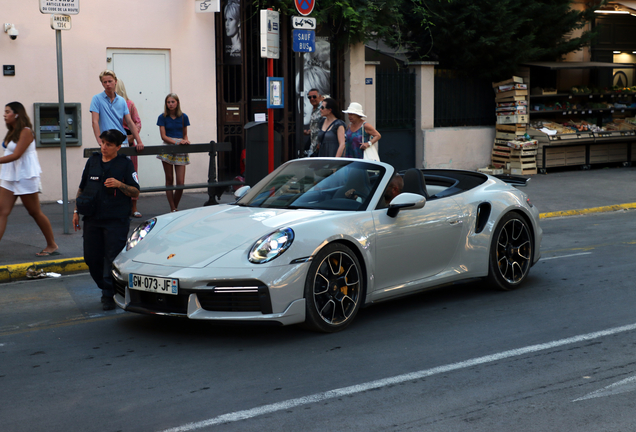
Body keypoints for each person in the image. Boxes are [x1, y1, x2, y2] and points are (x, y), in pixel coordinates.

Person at [72, 129, 139, 311]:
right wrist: (76, 210)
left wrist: (120, 184)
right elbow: (83, 187)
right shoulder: (93, 161)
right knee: (91, 258)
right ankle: (107, 286)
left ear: (118, 147)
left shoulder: (124, 164)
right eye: (102, 143)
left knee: (111, 258)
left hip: (116, 219)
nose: (104, 147)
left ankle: (108, 295)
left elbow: (135, 191)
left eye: (108, 144)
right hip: (92, 218)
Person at [0, 102, 59, 257]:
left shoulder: (26, 132)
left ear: (17, 114)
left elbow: (17, 154)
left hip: (25, 176)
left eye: (7, 112)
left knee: (34, 212)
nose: (4, 115)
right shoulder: (12, 132)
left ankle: (52, 244)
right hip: (9, 176)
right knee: (2, 211)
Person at [90, 70, 145, 152]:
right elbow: (95, 121)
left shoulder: (122, 100)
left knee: (124, 164)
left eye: (110, 81)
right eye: (105, 82)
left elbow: (129, 122)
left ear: (115, 81)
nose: (107, 84)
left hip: (122, 142)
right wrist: (100, 141)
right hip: (107, 142)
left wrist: (139, 141)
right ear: (102, 84)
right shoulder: (97, 99)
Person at [157, 93, 191, 212]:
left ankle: (174, 207)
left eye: (173, 102)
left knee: (180, 182)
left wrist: (186, 140)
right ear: (166, 104)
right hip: (168, 146)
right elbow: (163, 136)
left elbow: (185, 133)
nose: (171, 104)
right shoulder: (162, 117)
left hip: (181, 147)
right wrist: (175, 143)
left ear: (177, 103)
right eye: (168, 102)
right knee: (169, 179)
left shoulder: (183, 117)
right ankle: (172, 207)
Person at [115, 79, 143, 218]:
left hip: (129, 142)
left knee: (132, 173)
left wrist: (134, 136)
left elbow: (137, 122)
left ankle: (134, 207)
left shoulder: (130, 104)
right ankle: (120, 206)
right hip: (116, 141)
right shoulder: (110, 104)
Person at [303, 89, 324, 156]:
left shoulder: (323, 108)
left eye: (314, 97)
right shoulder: (314, 108)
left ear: (320, 96)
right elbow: (317, 126)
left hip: (320, 146)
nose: (312, 99)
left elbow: (325, 126)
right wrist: (310, 131)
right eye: (310, 97)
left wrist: (320, 142)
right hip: (313, 145)